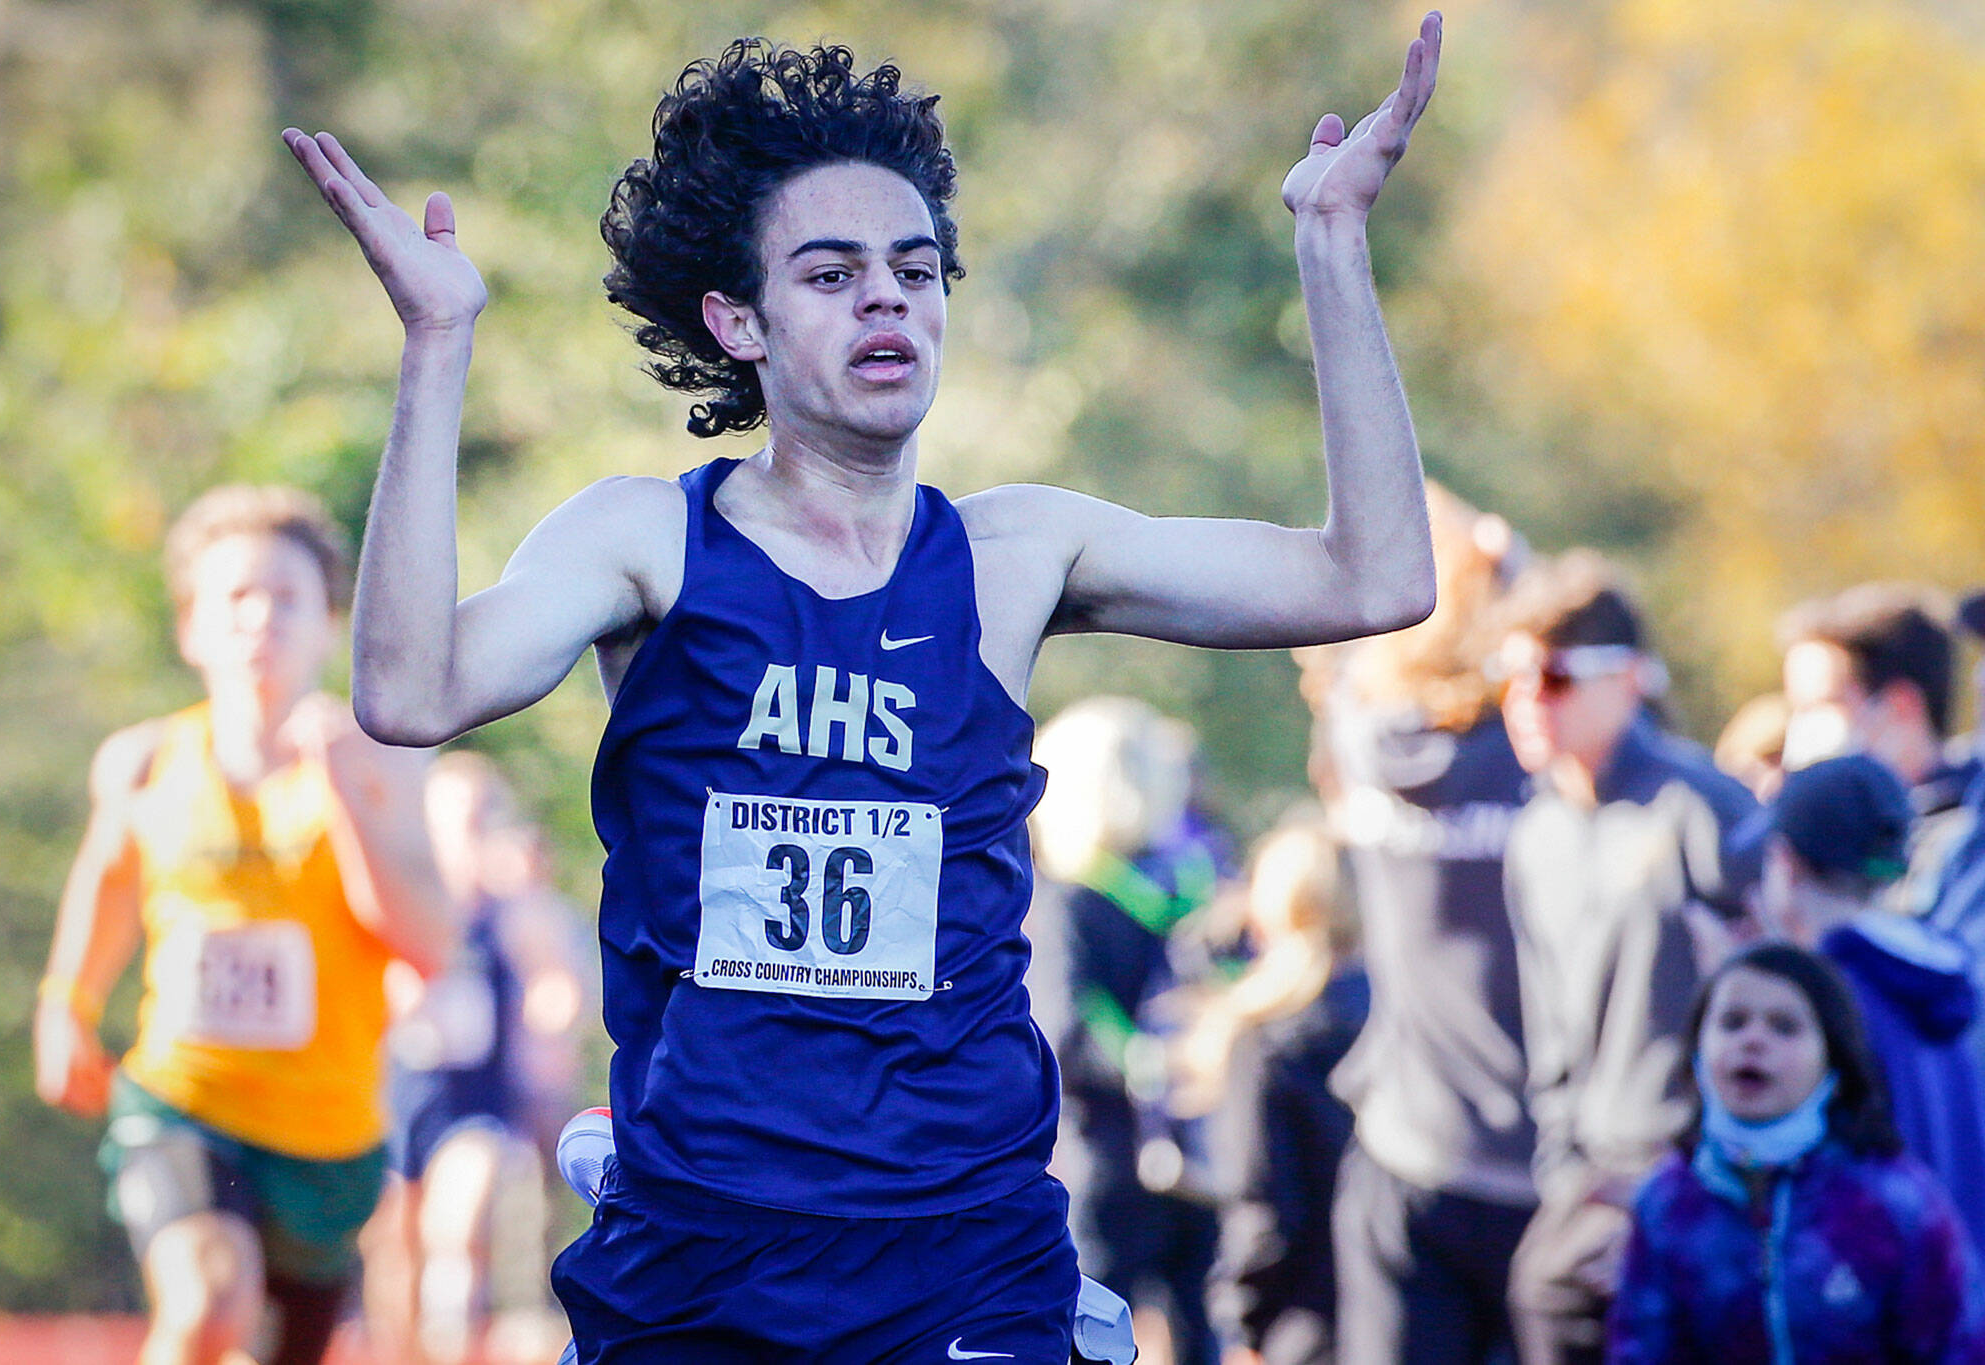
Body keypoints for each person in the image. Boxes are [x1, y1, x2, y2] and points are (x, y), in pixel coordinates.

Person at [282, 14, 1442, 1361]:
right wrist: (435, 345)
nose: (888, 298)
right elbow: (412, 690)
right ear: (739, 322)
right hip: (704, 1249)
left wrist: (1332, 246)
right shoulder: (649, 543)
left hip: (965, 1246)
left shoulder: (1016, 555)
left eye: (913, 268)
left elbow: (1374, 581)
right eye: (831, 275)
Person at [32, 484, 451, 1365]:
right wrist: (66, 1001)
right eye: (235, 596)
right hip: (185, 1098)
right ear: (190, 626)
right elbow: (108, 879)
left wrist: (341, 791)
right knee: (209, 1303)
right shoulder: (143, 761)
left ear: (329, 626)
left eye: (287, 597)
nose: (260, 616)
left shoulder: (381, 759)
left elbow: (428, 943)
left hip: (327, 1132)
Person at [1492, 549, 1760, 1365]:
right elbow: (1551, 1036)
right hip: (1593, 1177)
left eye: (1558, 676)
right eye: (1511, 678)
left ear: (1631, 679)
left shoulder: (1702, 808)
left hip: (1705, 1180)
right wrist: (1565, 1174)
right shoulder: (1534, 832)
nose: (1530, 700)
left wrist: (1699, 1185)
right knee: (1542, 1292)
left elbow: (1782, 1006)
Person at [1299, 481, 1535, 1365]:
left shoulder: (1366, 745)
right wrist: (1508, 562)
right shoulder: (1527, 754)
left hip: (1410, 1146)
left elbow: (1340, 650)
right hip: (1538, 1161)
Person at [1606, 943, 1985, 1362]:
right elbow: (1640, 1349)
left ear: (1835, 1062)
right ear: (1696, 1051)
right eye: (1732, 1022)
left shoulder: (1896, 1200)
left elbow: (1958, 1346)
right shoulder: (1667, 1202)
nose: (1753, 1040)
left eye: (1785, 1027)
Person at [1033, 697, 1226, 1365]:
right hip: (1150, 1147)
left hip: (1145, 1153)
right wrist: (1169, 1065)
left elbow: (1063, 1030)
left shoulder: (1103, 896)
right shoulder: (1179, 889)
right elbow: (1069, 1032)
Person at [1750, 754, 1985, 1256]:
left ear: (1787, 866)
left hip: (1864, 1304)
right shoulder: (1933, 976)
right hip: (1951, 1304)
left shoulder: (1821, 1004)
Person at [363, 751, 540, 1365]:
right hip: (400, 1089)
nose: (466, 828)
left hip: (477, 1100)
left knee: (458, 1233)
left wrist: (553, 1006)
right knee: (396, 1248)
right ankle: (401, 1353)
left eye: (477, 814)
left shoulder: (509, 905)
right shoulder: (397, 891)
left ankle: (455, 1351)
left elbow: (551, 970)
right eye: (454, 813)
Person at [1178, 814, 1368, 1365]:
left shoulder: (1267, 1041)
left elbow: (1263, 1213)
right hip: (1410, 1307)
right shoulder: (1411, 1019)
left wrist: (1244, 1325)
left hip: (1305, 1325)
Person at [1777, 582, 1977, 914]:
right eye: (1795, 709)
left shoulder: (1967, 842)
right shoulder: (1828, 837)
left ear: (1901, 706)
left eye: (1822, 706)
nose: (1801, 728)